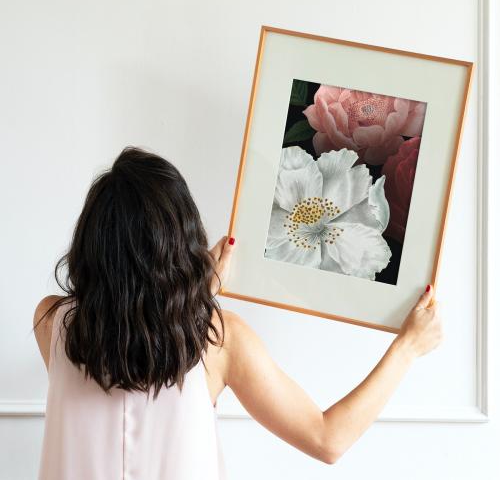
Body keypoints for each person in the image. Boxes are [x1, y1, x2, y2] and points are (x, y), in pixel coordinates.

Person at [33, 146, 443, 479]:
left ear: (91, 243)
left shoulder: (51, 324)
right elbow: (327, 439)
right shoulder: (219, 340)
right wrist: (406, 348)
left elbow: (130, 347)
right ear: (181, 242)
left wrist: (197, 294)